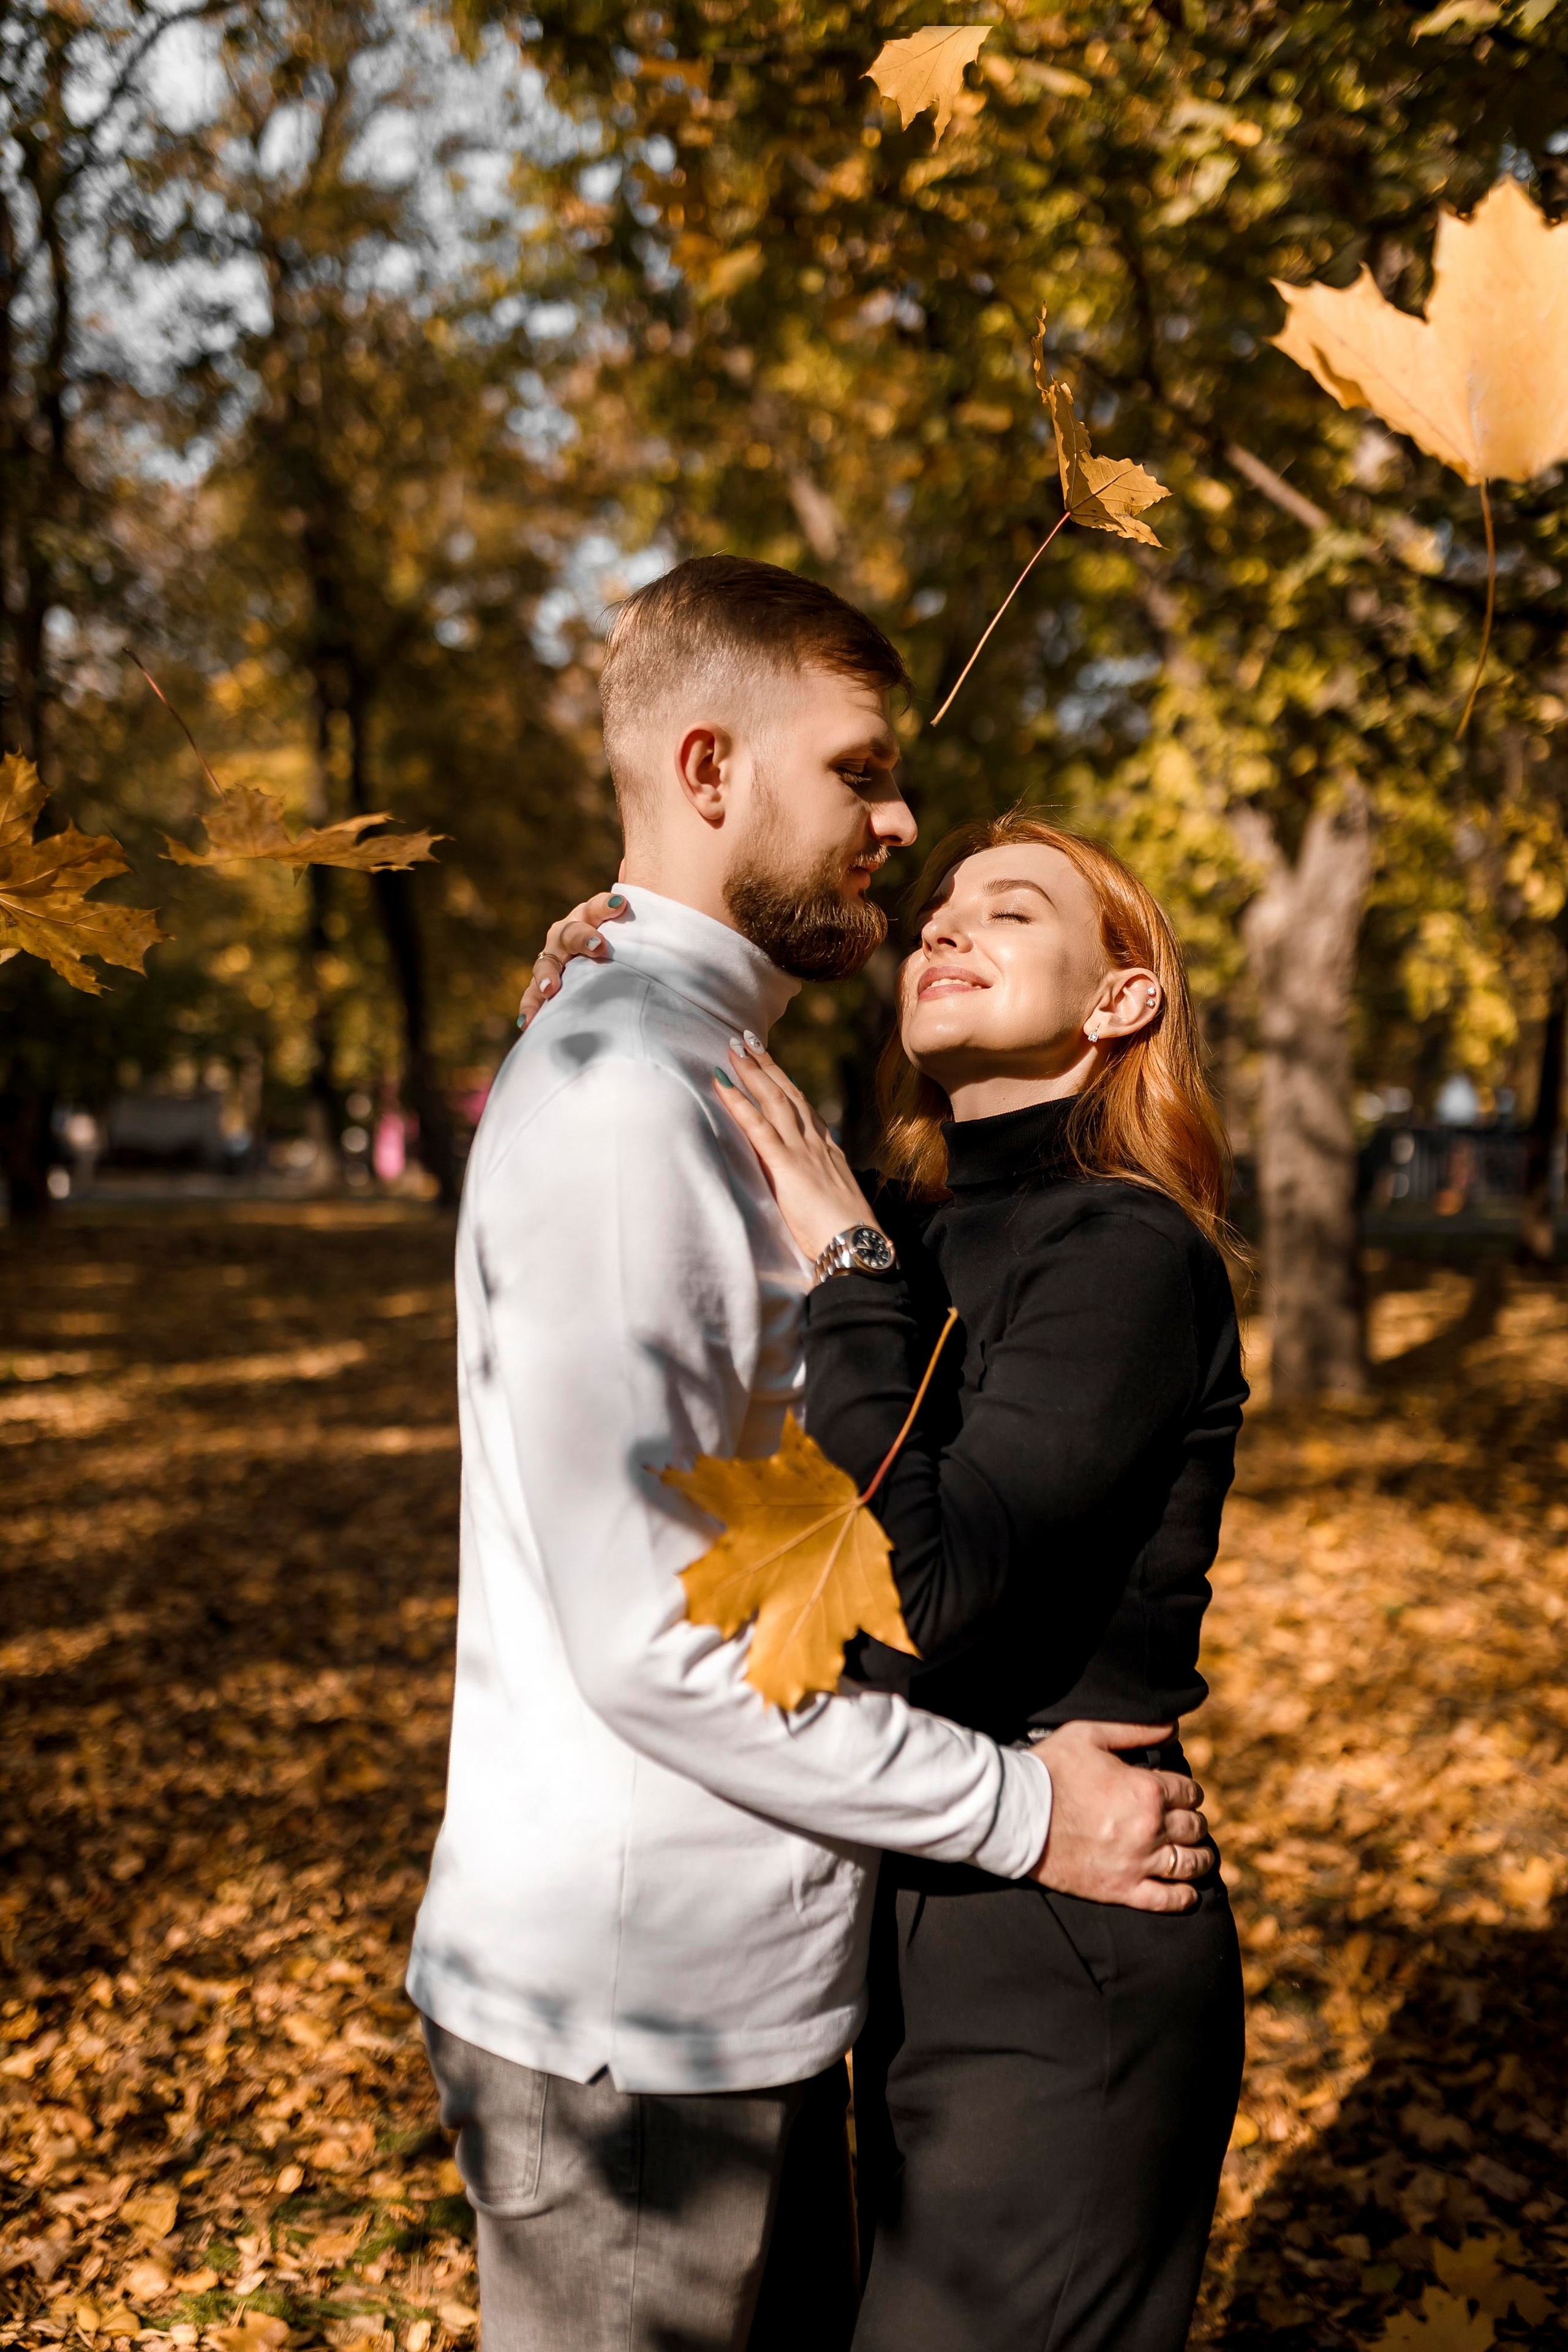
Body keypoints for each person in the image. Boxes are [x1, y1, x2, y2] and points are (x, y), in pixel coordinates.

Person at [410, 555, 1213, 2352]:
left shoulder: (720, 1077)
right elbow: (655, 1640)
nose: (900, 821)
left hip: (754, 1996)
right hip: (640, 2031)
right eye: (860, 772)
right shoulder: (632, 1099)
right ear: (709, 773)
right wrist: (1028, 1814)